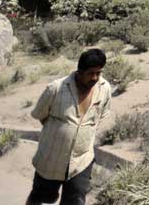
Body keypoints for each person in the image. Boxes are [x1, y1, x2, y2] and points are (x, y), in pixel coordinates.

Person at [25, 48, 112, 205]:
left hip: (81, 161)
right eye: (91, 73)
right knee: (40, 198)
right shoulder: (56, 88)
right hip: (51, 159)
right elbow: (40, 115)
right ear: (79, 71)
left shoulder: (104, 88)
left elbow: (101, 116)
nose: (95, 77)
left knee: (75, 201)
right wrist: (61, 131)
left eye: (99, 73)